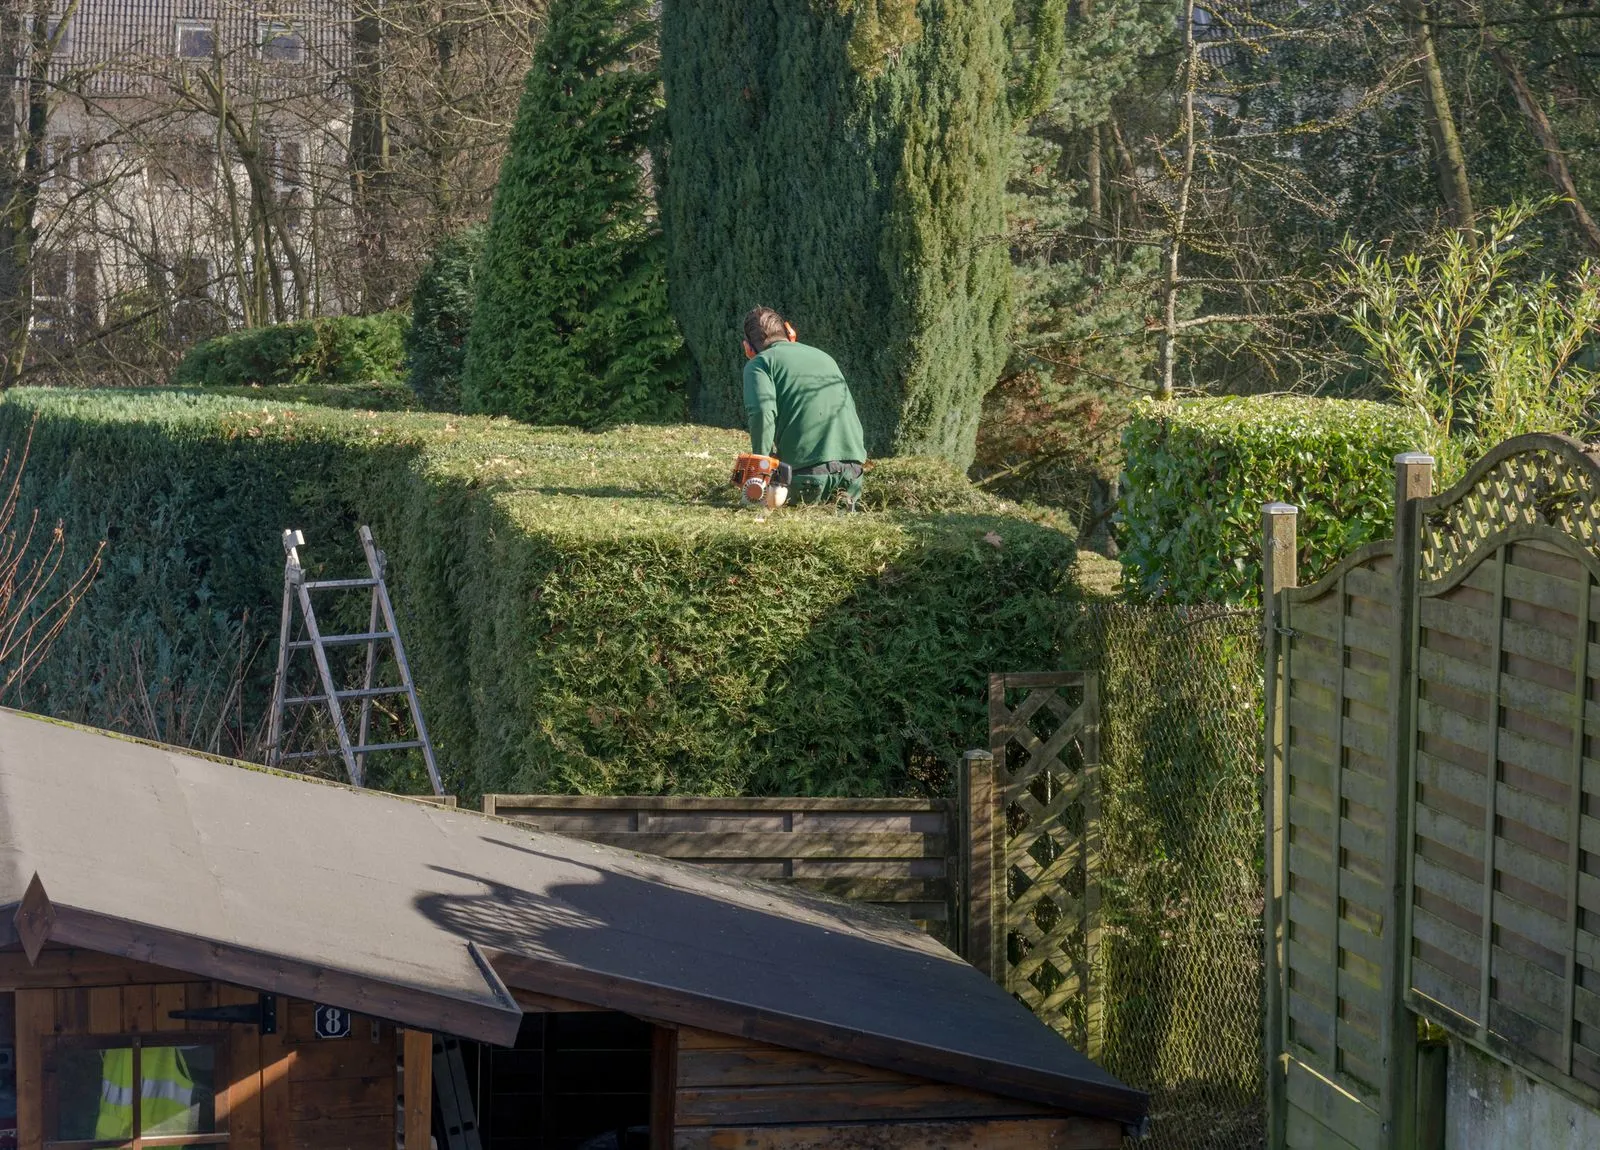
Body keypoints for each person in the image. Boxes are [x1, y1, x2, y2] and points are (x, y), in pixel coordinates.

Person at [741, 307, 867, 508]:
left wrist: (759, 471)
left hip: (807, 480)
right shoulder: (825, 357)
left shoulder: (760, 363)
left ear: (748, 348)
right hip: (853, 475)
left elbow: (762, 413)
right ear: (790, 332)